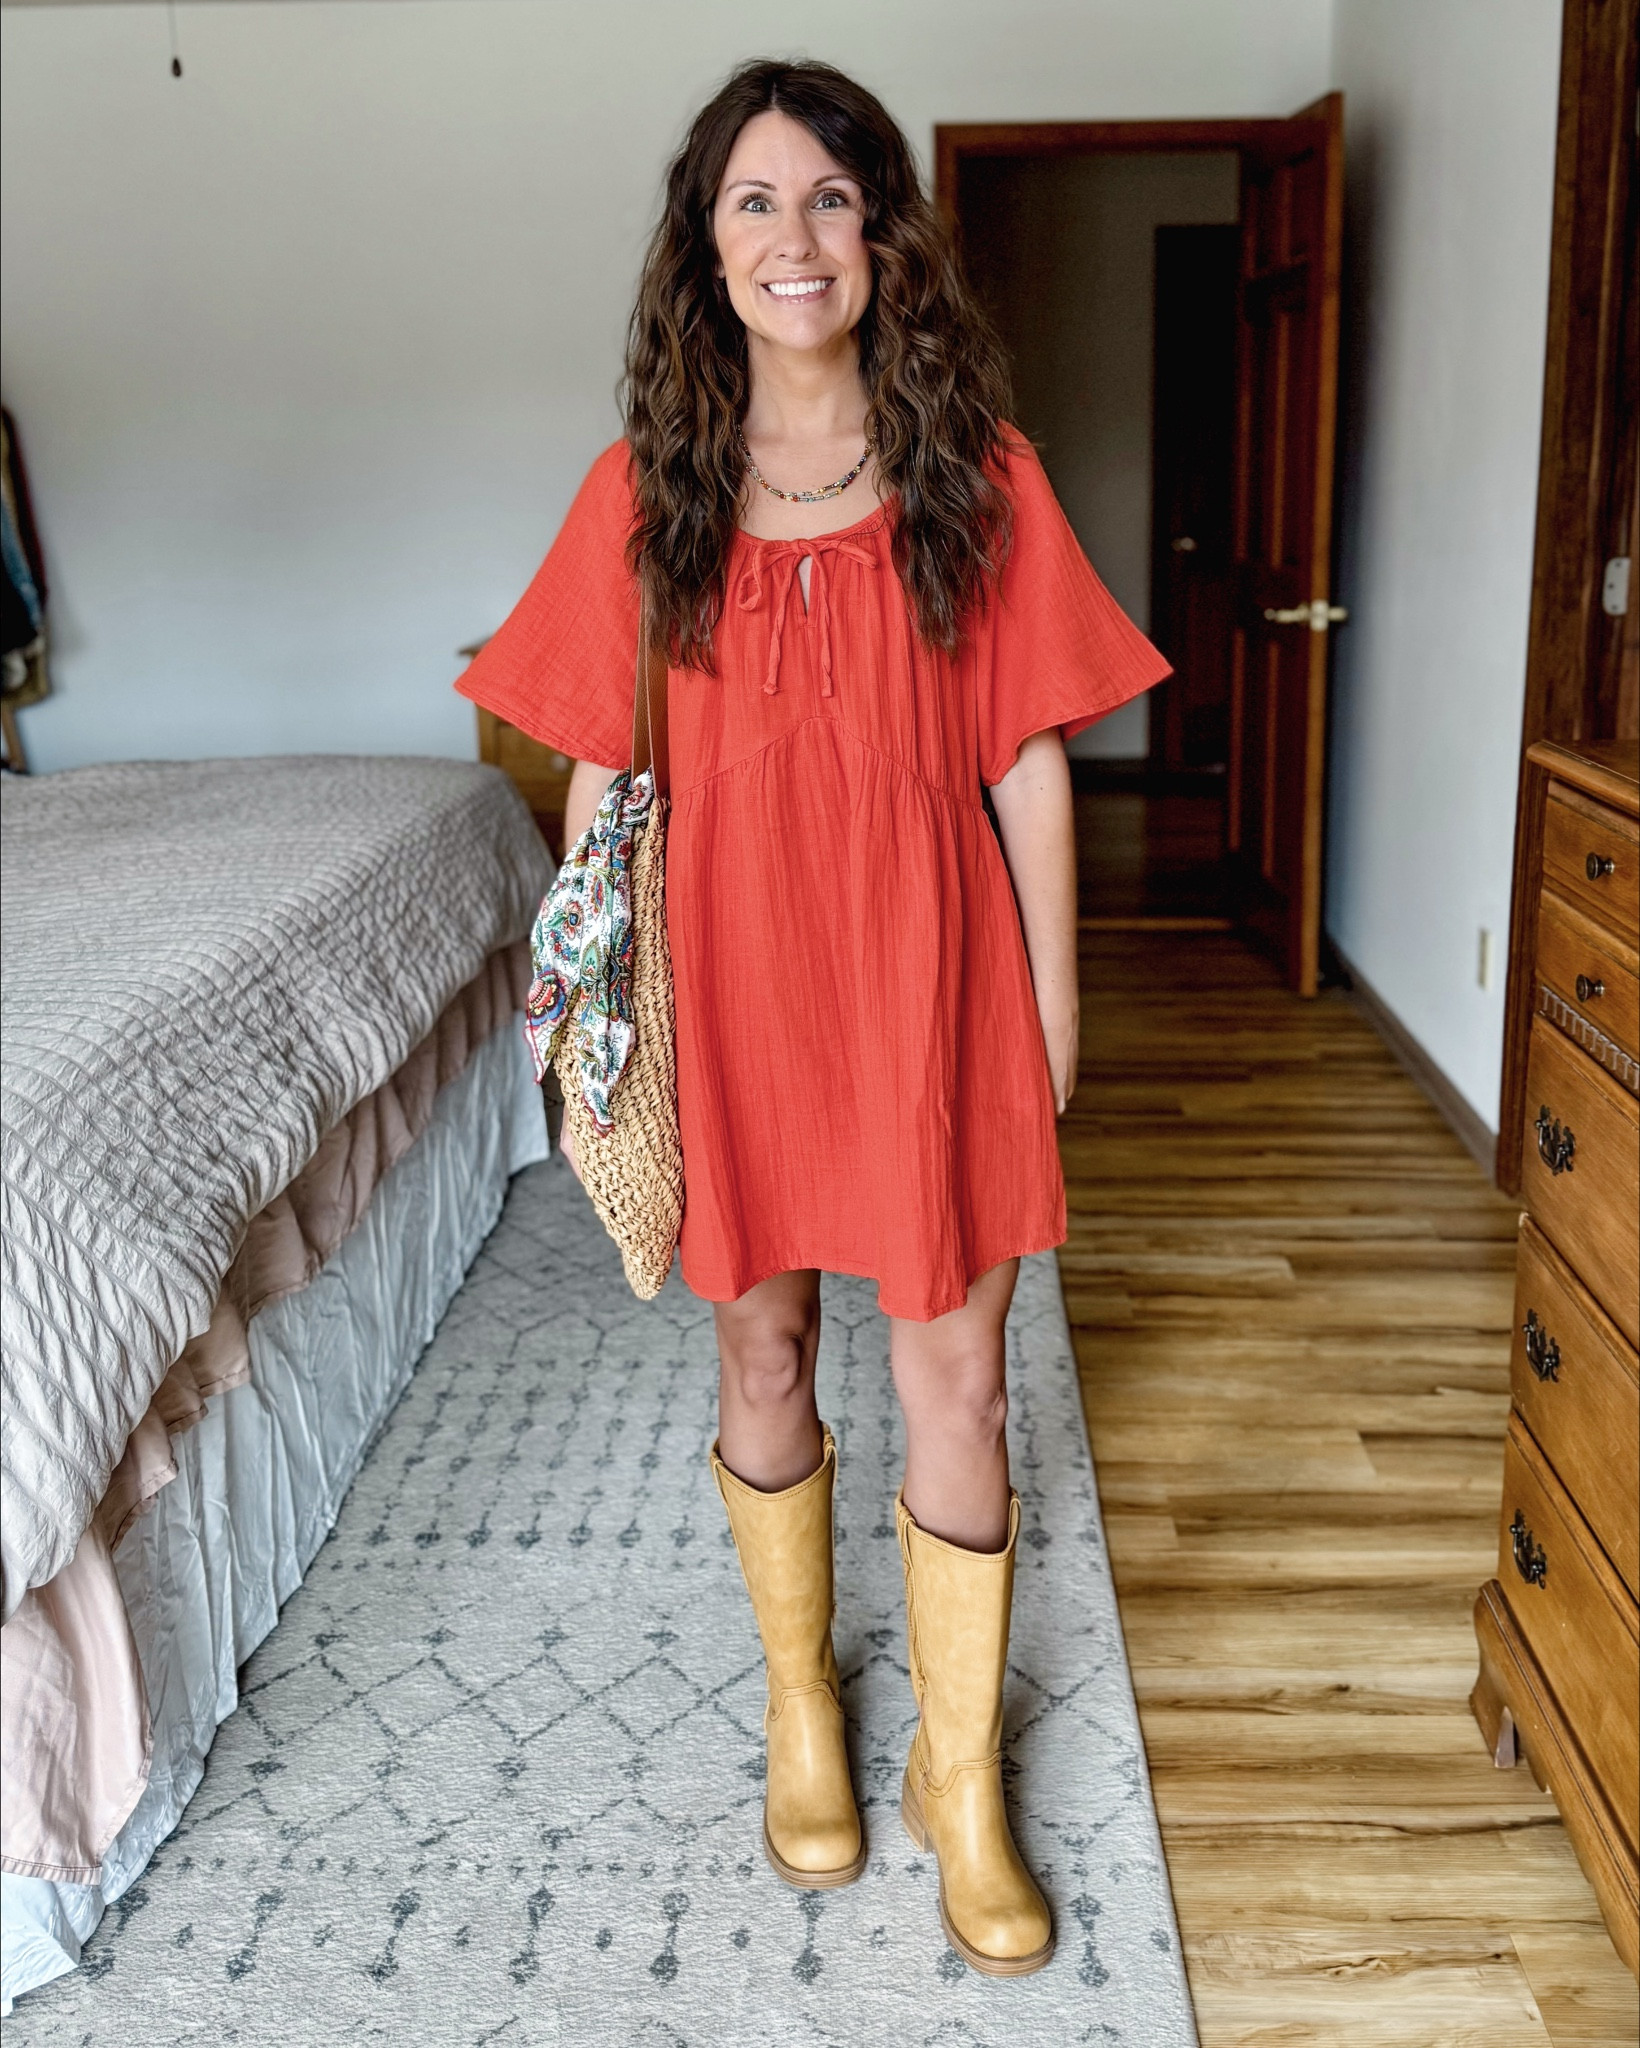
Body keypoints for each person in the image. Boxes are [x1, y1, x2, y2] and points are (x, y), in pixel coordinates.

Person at [457, 58, 1168, 1978]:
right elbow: (600, 771)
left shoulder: (978, 475)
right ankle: (802, 1708)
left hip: (936, 985)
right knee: (763, 1351)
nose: (797, 238)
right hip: (733, 992)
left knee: (960, 1380)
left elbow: (1028, 758)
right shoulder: (643, 496)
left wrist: (1055, 1003)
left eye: (833, 198)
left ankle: (962, 1777)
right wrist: (595, 1014)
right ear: (706, 249)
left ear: (883, 237)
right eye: (755, 203)